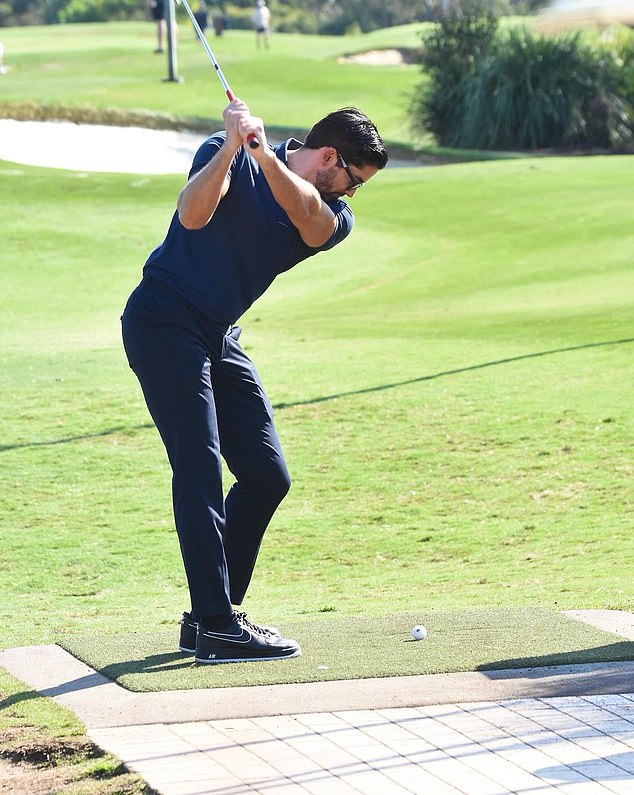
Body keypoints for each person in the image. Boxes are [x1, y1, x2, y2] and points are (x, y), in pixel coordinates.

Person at [121, 102, 388, 664]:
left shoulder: (331, 212)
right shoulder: (223, 154)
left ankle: (208, 617)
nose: (353, 194)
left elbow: (309, 216)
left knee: (268, 475)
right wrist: (228, 148)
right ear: (331, 157)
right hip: (163, 320)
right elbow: (192, 216)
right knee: (199, 468)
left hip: (218, 333)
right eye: (353, 180)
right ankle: (217, 623)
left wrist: (263, 153)